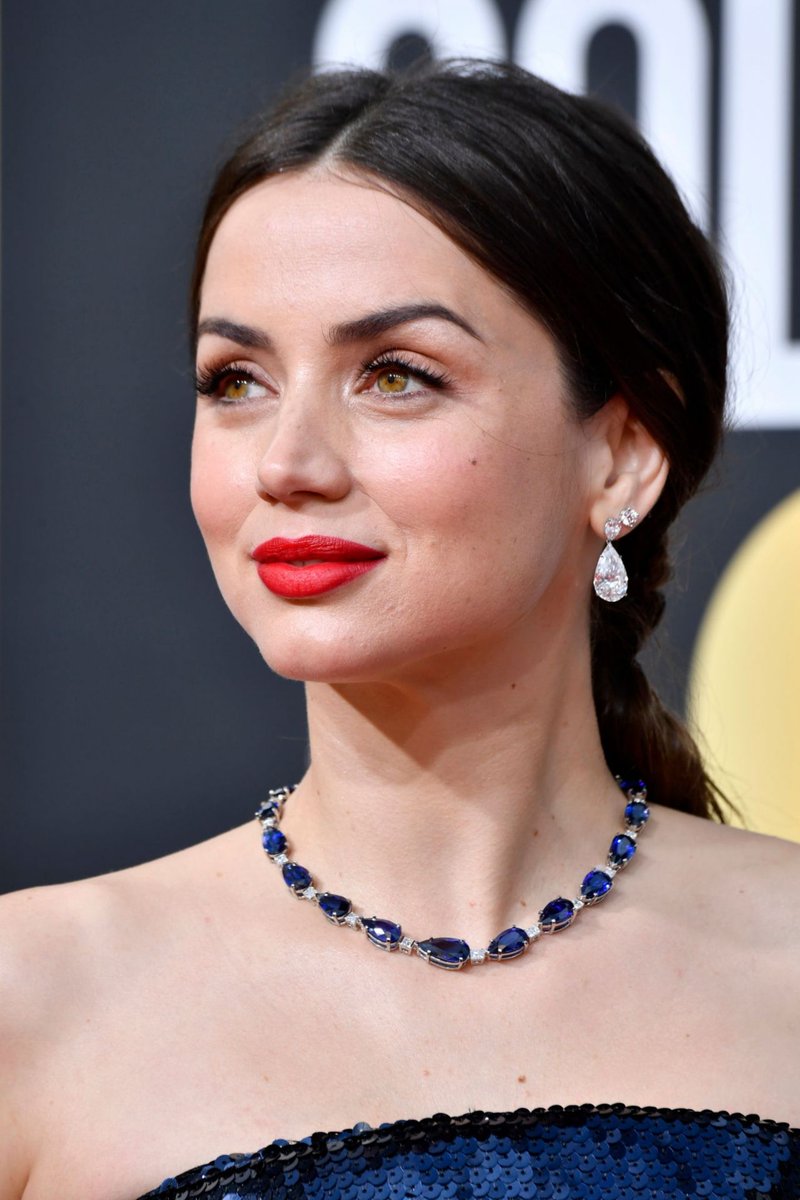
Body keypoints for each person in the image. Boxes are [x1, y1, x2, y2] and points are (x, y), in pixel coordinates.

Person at [1, 58, 798, 1200]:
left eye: (394, 375)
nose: (286, 463)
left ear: (622, 454)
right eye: (235, 381)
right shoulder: (33, 1003)